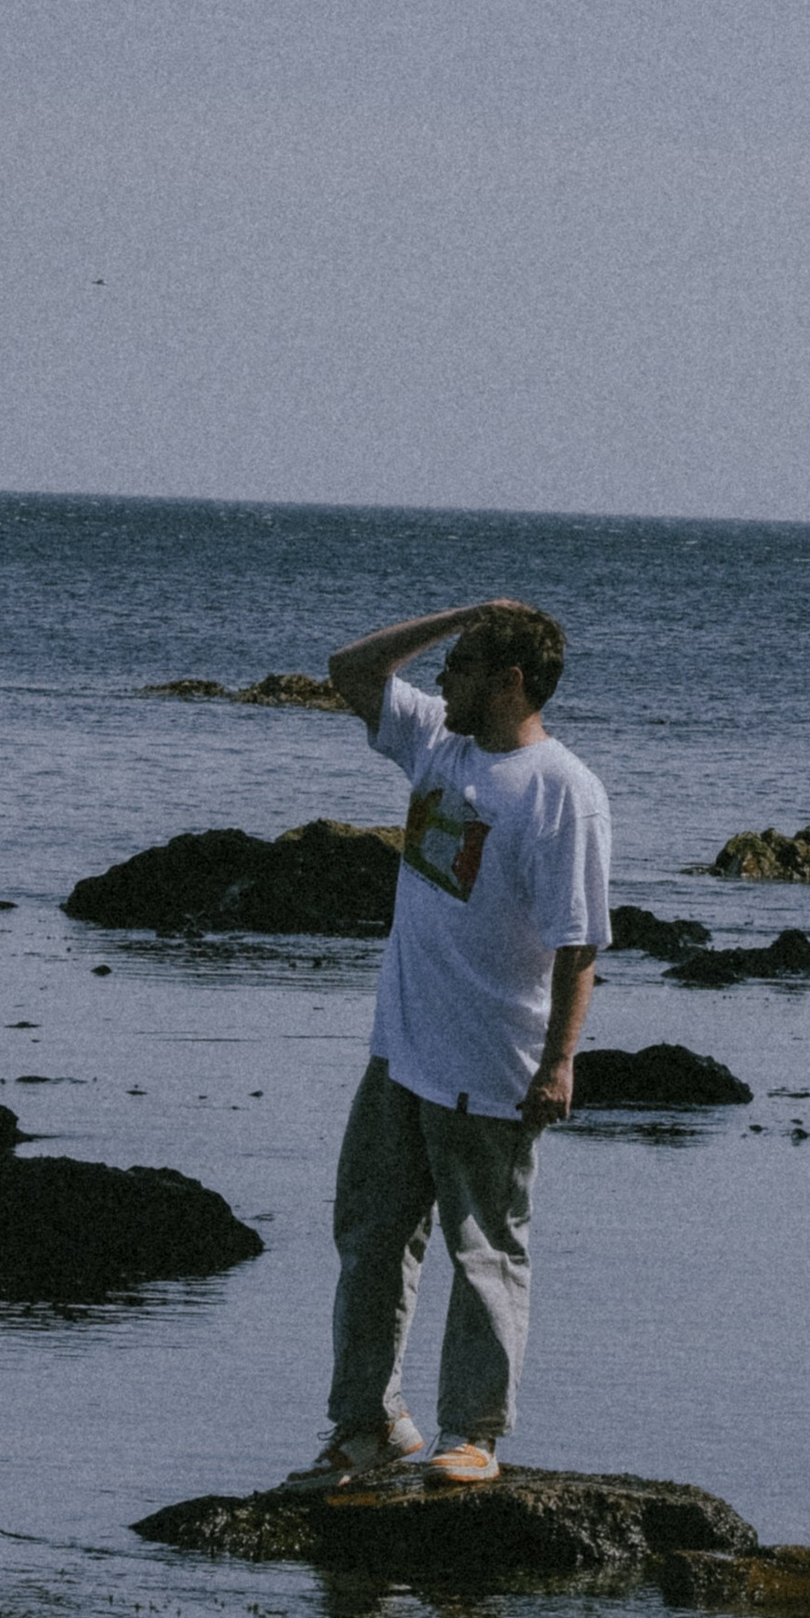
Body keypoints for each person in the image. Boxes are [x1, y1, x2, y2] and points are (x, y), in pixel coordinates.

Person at [286, 596, 610, 1493]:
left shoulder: (562, 792)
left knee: (483, 1251)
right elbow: (351, 668)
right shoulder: (440, 742)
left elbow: (579, 946)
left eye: (462, 666)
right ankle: (367, 1425)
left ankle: (473, 1433)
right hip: (400, 1055)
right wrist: (467, 611)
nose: (441, 680)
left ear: (510, 682)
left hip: (492, 1067)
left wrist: (560, 1064)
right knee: (371, 1238)